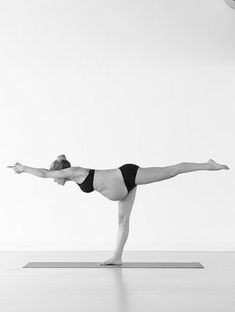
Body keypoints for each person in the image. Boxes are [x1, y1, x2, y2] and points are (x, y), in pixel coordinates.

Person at [7, 154, 229, 265]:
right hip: (123, 190)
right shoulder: (73, 177)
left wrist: (23, 168)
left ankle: (208, 165)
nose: (55, 181)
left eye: (57, 177)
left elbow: (46, 174)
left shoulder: (74, 171)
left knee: (169, 171)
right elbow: (50, 173)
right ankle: (117, 257)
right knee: (122, 221)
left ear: (61, 173)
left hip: (127, 176)